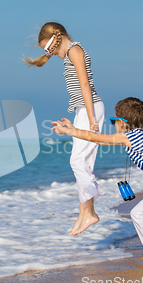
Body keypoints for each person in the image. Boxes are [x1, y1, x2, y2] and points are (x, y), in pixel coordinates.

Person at [51, 97, 143, 269]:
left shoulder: (130, 136)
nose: (113, 124)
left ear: (121, 123)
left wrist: (69, 132)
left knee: (139, 214)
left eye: (113, 120)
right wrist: (74, 129)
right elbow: (98, 140)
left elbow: (96, 137)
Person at [23, 22, 105, 236]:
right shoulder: (70, 53)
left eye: (46, 48)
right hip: (82, 111)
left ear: (56, 38)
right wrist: (76, 121)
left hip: (91, 109)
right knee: (81, 162)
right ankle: (84, 212)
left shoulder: (75, 51)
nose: (48, 53)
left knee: (78, 161)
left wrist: (91, 118)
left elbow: (85, 84)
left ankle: (89, 213)